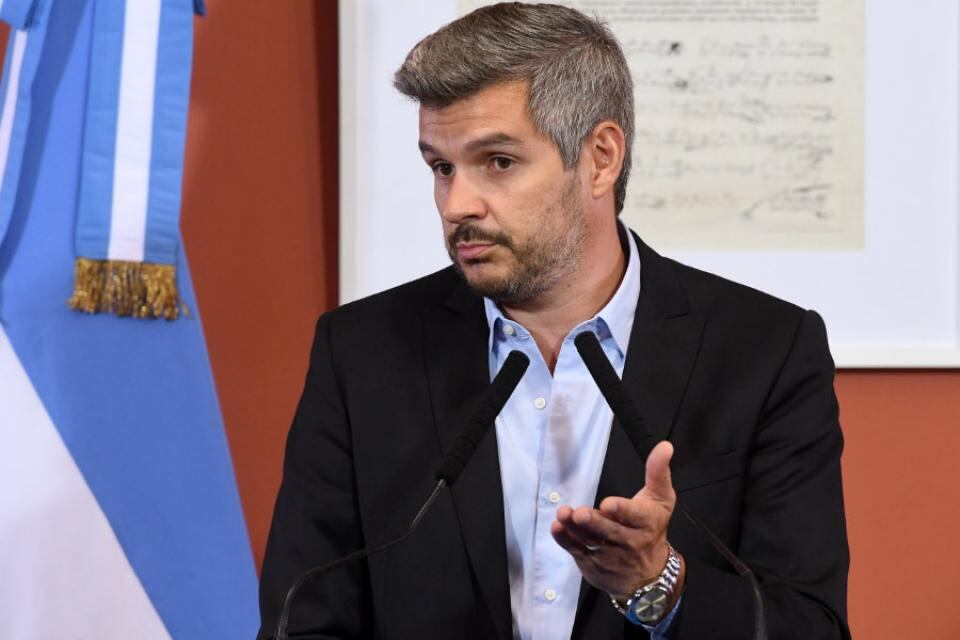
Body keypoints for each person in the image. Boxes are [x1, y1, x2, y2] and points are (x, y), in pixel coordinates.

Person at [257, 3, 849, 639]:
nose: (457, 204)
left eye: (498, 162)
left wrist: (661, 584)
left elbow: (809, 627)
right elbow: (304, 619)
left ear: (600, 158)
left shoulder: (765, 352)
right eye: (442, 167)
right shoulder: (361, 353)